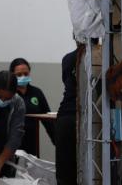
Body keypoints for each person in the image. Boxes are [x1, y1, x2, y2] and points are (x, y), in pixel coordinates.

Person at [9, 58, 55, 156]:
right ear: (12, 75)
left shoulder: (36, 92)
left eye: (26, 74)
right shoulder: (8, 94)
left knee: (32, 169)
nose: (23, 77)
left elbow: (48, 120)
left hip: (33, 142)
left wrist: (57, 142)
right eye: (19, 75)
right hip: (11, 143)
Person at [55, 40, 85, 185]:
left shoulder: (67, 58)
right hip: (83, 117)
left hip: (66, 116)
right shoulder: (98, 58)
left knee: (65, 173)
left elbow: (66, 81)